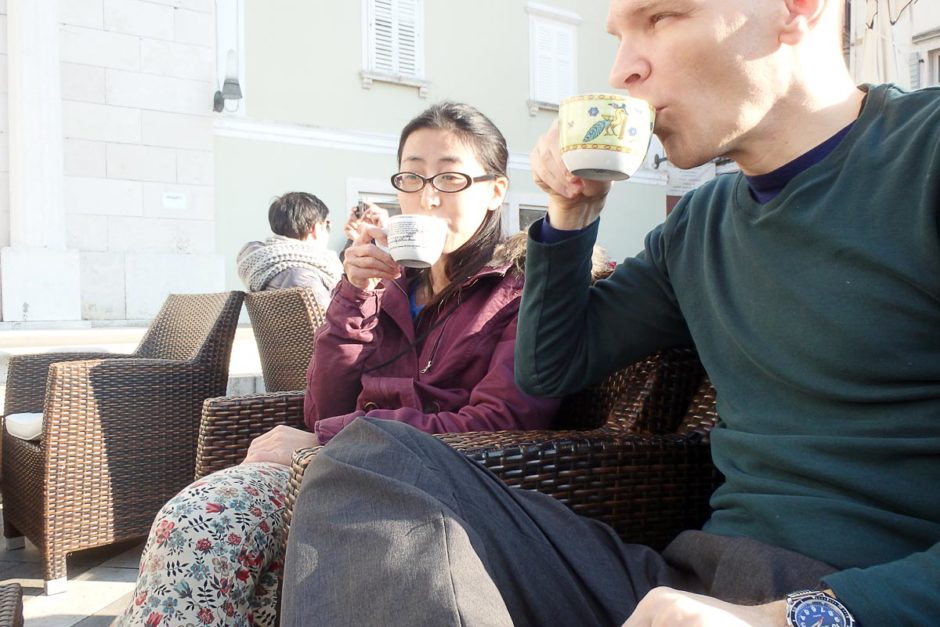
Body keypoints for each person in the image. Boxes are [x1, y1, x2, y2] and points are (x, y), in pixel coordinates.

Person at [279, 1, 940, 626]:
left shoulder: (923, 152)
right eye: (619, 36)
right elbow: (550, 365)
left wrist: (792, 615)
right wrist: (570, 219)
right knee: (373, 460)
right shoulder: (701, 225)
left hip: (857, 594)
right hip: (689, 584)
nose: (622, 69)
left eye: (660, 17)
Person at [114, 102, 563, 627]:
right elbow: (322, 403)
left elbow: (501, 425)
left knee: (206, 522)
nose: (428, 194)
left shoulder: (519, 292)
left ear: (495, 191)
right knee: (232, 568)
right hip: (344, 474)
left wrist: (330, 438)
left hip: (433, 493)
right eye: (412, 175)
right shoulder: (393, 287)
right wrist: (354, 294)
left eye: (450, 175)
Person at [236, 191, 342, 307]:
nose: (328, 231)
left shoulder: (265, 263)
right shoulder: (303, 278)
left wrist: (355, 240)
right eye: (327, 224)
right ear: (315, 228)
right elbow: (337, 320)